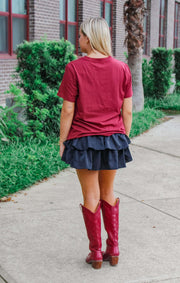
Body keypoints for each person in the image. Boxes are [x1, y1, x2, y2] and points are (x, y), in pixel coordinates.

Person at [57, 17, 133, 269]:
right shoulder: (122, 68)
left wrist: (63, 141)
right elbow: (127, 111)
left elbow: (68, 110)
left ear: (89, 38)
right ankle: (114, 249)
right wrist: (122, 138)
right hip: (113, 139)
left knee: (91, 195)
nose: (78, 40)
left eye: (80, 35)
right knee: (108, 193)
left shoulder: (74, 68)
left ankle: (96, 253)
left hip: (83, 139)